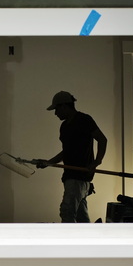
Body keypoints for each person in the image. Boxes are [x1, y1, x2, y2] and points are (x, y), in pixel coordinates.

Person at [37, 91, 107, 223]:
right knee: (81, 217)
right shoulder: (64, 127)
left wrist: (96, 162)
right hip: (70, 176)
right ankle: (87, 240)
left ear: (64, 106)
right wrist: (49, 163)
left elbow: (102, 140)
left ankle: (70, 241)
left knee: (67, 211)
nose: (55, 113)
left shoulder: (84, 120)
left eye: (56, 109)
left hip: (79, 176)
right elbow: (66, 152)